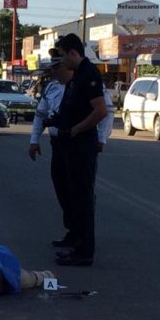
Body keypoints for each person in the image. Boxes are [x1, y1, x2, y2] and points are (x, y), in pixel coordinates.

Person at [29, 51, 114, 255]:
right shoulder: (52, 87)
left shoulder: (84, 83)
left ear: (66, 66)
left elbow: (106, 111)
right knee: (62, 189)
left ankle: (82, 239)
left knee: (81, 193)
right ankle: (73, 231)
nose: (53, 72)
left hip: (79, 144)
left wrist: (101, 138)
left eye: (57, 67)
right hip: (59, 143)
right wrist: (34, 140)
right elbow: (41, 115)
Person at [47, 33, 108, 267]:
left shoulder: (89, 75)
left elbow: (100, 111)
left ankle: (85, 251)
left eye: (63, 56)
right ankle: (77, 241)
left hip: (82, 146)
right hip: (70, 146)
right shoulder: (77, 76)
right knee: (73, 195)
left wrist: (75, 130)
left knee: (83, 198)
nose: (61, 62)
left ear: (73, 52)